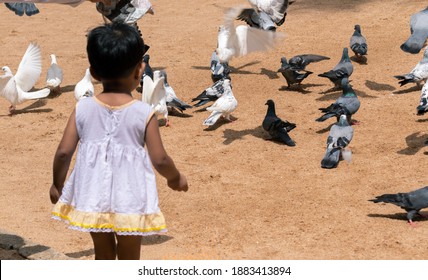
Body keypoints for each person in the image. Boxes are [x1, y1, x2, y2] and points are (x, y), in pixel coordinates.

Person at [49, 22, 188, 260]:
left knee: (102, 253)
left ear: (93, 73)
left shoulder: (82, 108)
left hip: (93, 193)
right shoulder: (144, 113)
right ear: (139, 70)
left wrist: (57, 184)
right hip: (130, 194)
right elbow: (160, 158)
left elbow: (63, 152)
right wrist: (175, 178)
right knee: (129, 255)